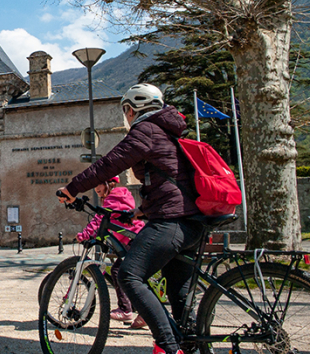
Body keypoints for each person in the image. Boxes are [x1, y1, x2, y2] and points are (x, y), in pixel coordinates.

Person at [57, 83, 202, 354]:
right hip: (191, 222)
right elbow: (168, 180)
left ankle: (169, 348)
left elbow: (110, 163)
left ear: (133, 109)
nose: (126, 115)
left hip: (172, 223)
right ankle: (192, 346)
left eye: (126, 110)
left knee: (128, 274)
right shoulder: (168, 133)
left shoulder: (146, 129)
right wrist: (141, 210)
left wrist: (72, 188)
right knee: (179, 295)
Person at [74, 176, 144, 323]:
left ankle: (126, 309)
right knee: (123, 272)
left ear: (108, 183)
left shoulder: (115, 197)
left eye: (98, 184)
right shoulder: (119, 195)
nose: (96, 189)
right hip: (132, 239)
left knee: (119, 271)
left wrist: (85, 234)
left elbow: (101, 218)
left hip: (132, 239)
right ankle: (144, 312)